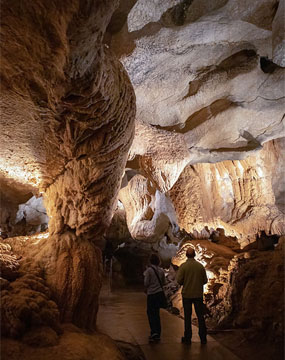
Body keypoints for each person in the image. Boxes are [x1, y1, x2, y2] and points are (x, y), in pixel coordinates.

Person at [176, 247, 208, 345]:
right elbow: (205, 281)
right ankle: (203, 337)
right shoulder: (200, 266)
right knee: (200, 316)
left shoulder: (183, 266)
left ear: (186, 255)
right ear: (194, 255)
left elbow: (179, 281)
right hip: (198, 294)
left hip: (187, 295)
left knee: (187, 316)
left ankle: (188, 337)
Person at [144, 253, 166, 343]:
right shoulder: (161, 271)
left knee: (150, 313)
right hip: (159, 293)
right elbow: (163, 282)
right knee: (156, 313)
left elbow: (146, 283)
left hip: (151, 294)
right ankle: (158, 332)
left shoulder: (149, 271)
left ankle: (154, 332)